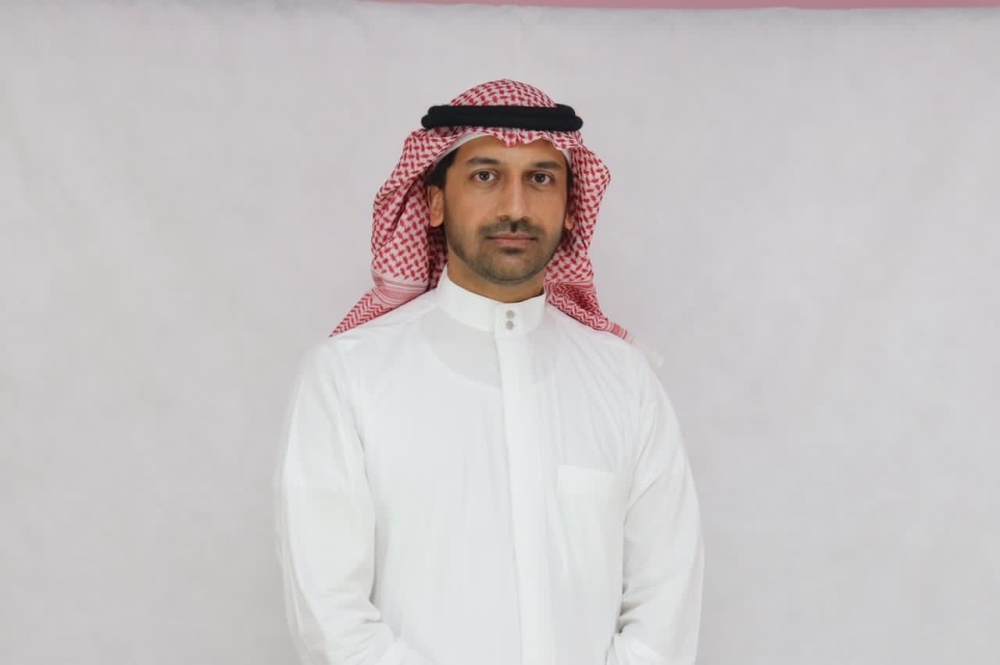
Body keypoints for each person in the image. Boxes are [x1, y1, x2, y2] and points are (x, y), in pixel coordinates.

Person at [273, 79, 704, 665]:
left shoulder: (624, 380)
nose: (515, 208)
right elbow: (330, 619)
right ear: (434, 202)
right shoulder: (346, 377)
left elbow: (665, 600)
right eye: (485, 175)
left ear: (570, 208)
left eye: (540, 178)